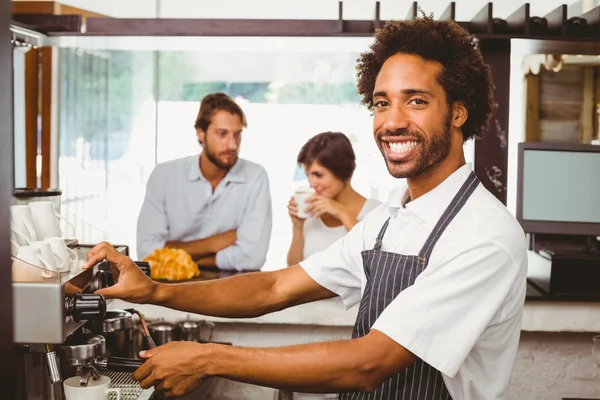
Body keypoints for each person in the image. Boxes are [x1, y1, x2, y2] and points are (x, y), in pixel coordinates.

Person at [87, 17, 527, 399]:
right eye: (381, 102)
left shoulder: (482, 234)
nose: (392, 121)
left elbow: (368, 364)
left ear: (458, 113)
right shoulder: (387, 220)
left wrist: (208, 358)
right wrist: (155, 291)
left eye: (416, 100)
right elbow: (274, 288)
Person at [136, 92, 272, 270]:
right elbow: (147, 252)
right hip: (171, 285)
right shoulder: (164, 176)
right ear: (201, 133)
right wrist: (216, 243)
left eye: (237, 135)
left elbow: (252, 257)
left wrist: (183, 257)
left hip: (232, 287)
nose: (232, 145)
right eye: (222, 134)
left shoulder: (256, 176)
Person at [287, 132, 381, 266]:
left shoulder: (377, 213)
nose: (312, 183)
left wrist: (342, 212)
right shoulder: (311, 213)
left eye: (318, 175)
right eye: (308, 175)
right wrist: (298, 226)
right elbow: (292, 270)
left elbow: (375, 266)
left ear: (343, 171)